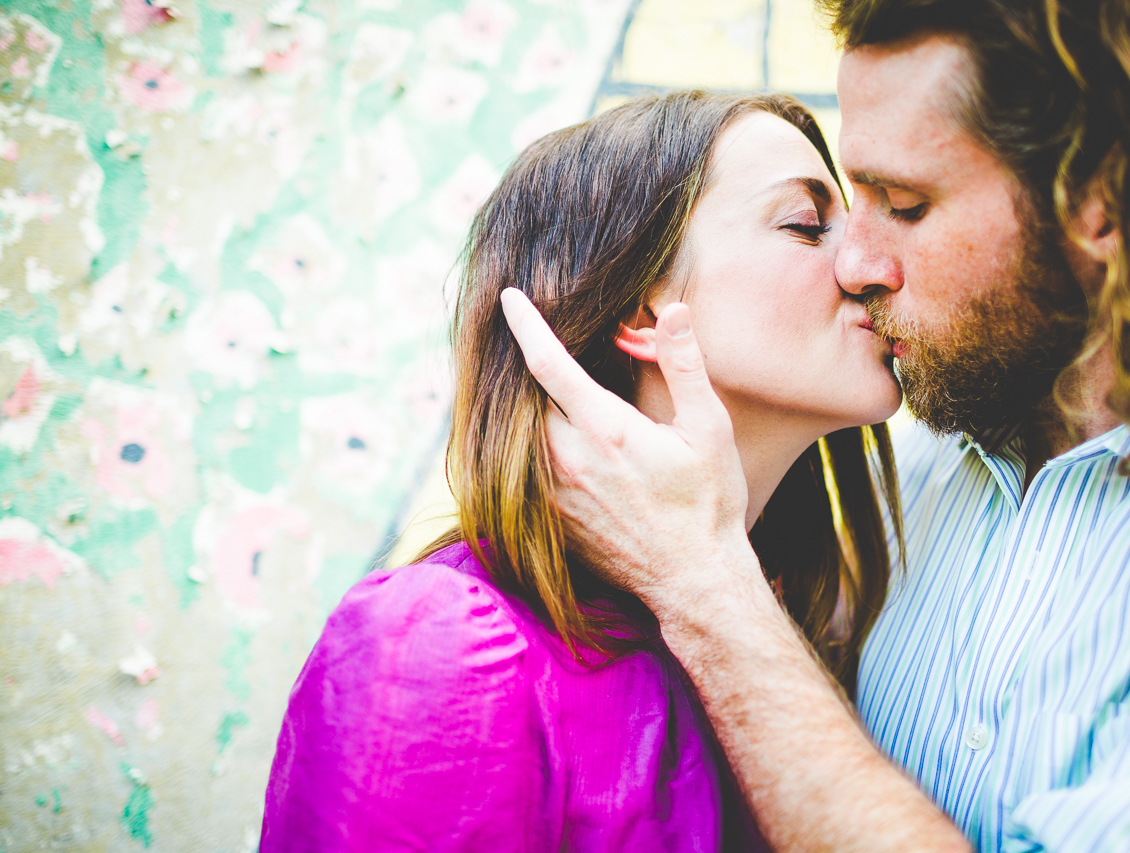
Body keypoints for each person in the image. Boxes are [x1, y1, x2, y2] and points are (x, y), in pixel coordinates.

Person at [499, 0, 1130, 851]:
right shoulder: (917, 461)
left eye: (905, 204)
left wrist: (703, 585)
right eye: (825, 216)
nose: (856, 262)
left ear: (1104, 200)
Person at [260, 90, 909, 850]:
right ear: (640, 312)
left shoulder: (806, 629)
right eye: (805, 225)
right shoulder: (436, 644)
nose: (867, 262)